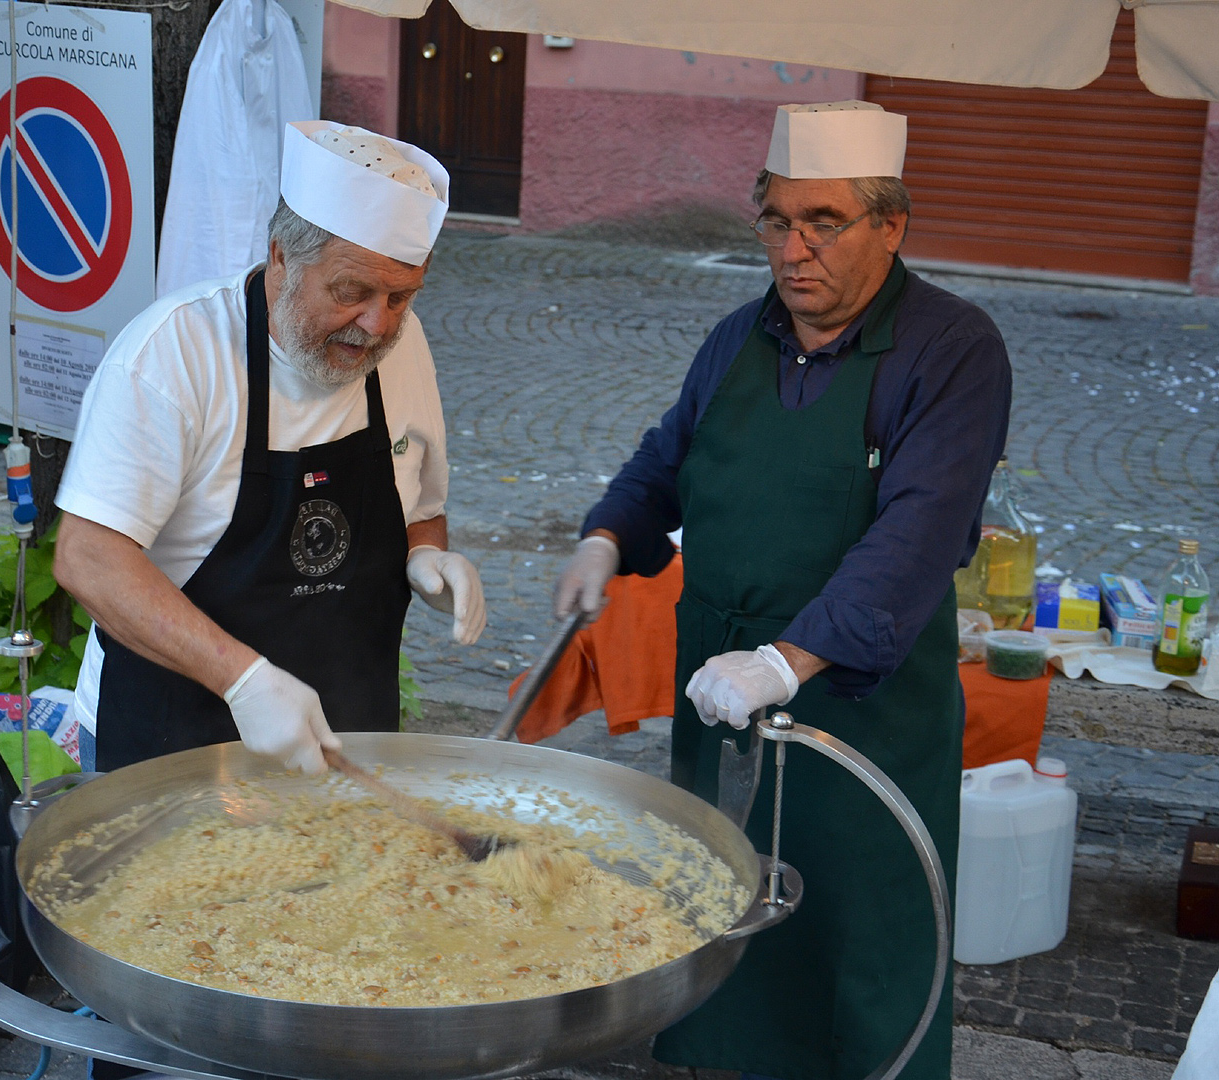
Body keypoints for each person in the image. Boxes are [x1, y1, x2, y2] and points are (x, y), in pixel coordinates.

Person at [553, 101, 1011, 1080]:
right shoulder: (735, 336)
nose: (792, 250)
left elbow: (917, 535)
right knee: (727, 936)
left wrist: (782, 661)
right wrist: (604, 536)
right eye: (774, 219)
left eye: (823, 223)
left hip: (860, 727)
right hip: (719, 715)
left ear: (889, 224)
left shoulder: (952, 350)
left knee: (859, 944)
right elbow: (663, 461)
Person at [54, 121, 486, 783]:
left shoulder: (404, 347)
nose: (377, 325)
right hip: (172, 741)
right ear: (281, 256)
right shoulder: (172, 356)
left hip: (346, 742)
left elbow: (418, 502)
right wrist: (247, 681)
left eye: (400, 296)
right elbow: (88, 558)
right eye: (350, 292)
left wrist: (427, 554)